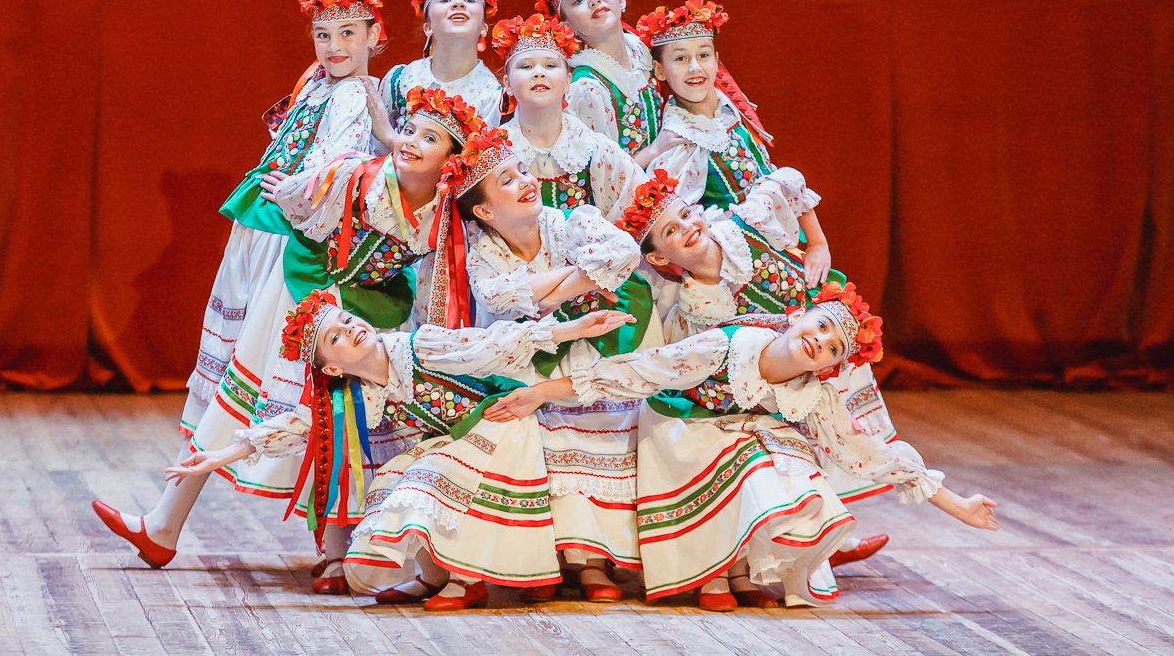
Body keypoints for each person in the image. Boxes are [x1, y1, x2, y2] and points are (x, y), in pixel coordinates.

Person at [91, 0, 387, 569]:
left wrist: (301, 192)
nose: (334, 46)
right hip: (268, 237)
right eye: (323, 33)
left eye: (348, 33)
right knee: (293, 387)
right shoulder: (317, 82)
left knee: (286, 384)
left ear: (375, 36)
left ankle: (172, 524)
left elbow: (340, 168)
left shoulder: (359, 95)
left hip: (301, 250)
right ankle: (331, 549)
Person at [491, 279, 1000, 610]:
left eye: (832, 348)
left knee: (782, 454)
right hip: (682, 426)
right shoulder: (726, 346)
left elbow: (868, 454)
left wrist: (957, 505)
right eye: (821, 326)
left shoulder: (814, 396)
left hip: (737, 433)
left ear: (831, 367)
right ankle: (710, 573)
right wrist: (543, 392)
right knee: (740, 451)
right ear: (800, 315)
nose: (819, 342)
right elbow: (641, 372)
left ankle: (740, 569)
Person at [164, 290, 636, 611]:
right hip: (459, 439)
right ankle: (434, 575)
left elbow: (487, 343)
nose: (351, 330)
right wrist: (220, 455)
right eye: (335, 338)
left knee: (436, 474)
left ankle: (467, 580)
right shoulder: (363, 394)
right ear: (331, 368)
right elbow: (300, 424)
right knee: (394, 483)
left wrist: (569, 330)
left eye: (347, 321)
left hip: (501, 421)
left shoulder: (419, 347)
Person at [451, 128, 659, 601]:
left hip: (597, 341)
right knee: (539, 439)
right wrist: (581, 280)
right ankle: (545, 558)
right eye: (507, 180)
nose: (526, 181)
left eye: (522, 170)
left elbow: (623, 252)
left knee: (598, 434)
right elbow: (498, 297)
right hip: (532, 353)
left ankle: (593, 560)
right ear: (485, 212)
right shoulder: (483, 256)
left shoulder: (569, 221)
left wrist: (545, 294)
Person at [639, 0, 831, 295]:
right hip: (741, 273)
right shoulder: (679, 140)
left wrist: (817, 243)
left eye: (703, 55)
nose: (695, 67)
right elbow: (681, 227)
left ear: (716, 60)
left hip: (786, 251)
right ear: (660, 70)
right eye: (680, 59)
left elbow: (776, 178)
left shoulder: (731, 110)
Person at [492, 13, 647, 220]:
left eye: (550, 65)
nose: (539, 73)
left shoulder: (594, 148)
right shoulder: (497, 151)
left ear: (568, 82)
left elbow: (643, 201)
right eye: (526, 66)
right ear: (507, 84)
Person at [533, 0, 672, 165]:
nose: (593, 0)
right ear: (567, 27)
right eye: (578, 0)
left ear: (620, 0)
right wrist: (656, 150)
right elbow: (604, 173)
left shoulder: (643, 51)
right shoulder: (587, 86)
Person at [371, 0, 503, 147]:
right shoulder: (399, 80)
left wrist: (391, 138)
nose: (458, 4)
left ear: (484, 28)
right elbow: (376, 154)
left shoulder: (493, 96)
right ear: (428, 27)